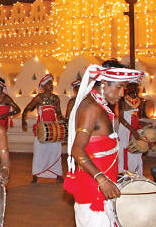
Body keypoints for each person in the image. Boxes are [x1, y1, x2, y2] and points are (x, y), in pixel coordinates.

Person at [64, 62, 145, 227]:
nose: (122, 94)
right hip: (93, 186)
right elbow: (77, 149)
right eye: (119, 87)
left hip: (104, 182)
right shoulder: (91, 108)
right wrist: (101, 179)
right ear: (104, 83)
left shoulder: (102, 106)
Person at [22, 74, 64, 182]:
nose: (51, 86)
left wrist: (64, 119)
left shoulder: (56, 99)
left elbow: (58, 114)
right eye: (49, 84)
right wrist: (23, 121)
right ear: (43, 86)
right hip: (41, 130)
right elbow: (26, 109)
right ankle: (35, 176)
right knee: (39, 152)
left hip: (53, 130)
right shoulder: (38, 98)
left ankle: (58, 175)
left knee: (55, 151)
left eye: (52, 84)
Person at [117, 83, 144, 174]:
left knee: (136, 151)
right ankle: (124, 172)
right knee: (125, 150)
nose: (134, 89)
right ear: (127, 89)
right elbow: (121, 118)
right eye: (132, 87)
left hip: (134, 129)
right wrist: (132, 130)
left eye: (136, 87)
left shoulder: (139, 101)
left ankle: (135, 173)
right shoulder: (123, 100)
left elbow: (136, 117)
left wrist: (144, 124)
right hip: (125, 130)